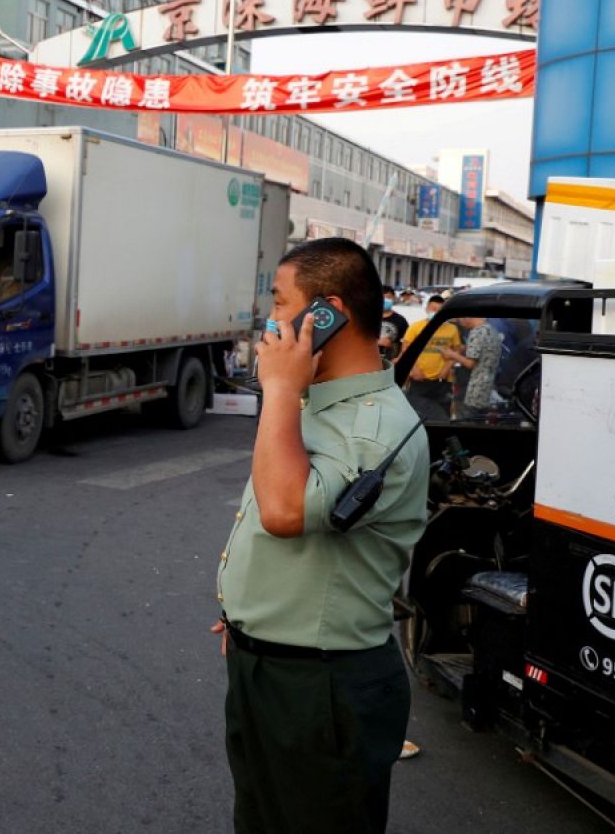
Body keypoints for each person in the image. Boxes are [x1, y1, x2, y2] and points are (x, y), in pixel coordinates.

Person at [213, 237, 429, 834]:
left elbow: (284, 511)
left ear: (326, 311)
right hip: (275, 666)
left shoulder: (372, 426)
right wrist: (253, 614)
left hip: (322, 689)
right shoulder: (321, 404)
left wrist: (279, 388)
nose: (271, 322)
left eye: (281, 304)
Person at [400, 294, 461, 421]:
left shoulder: (452, 329)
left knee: (442, 416)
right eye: (433, 309)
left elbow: (457, 350)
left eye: (440, 310)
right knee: (416, 416)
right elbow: (406, 349)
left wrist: (447, 368)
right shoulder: (415, 327)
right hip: (419, 380)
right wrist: (414, 369)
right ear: (427, 309)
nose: (436, 312)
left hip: (442, 381)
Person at [445, 316, 504, 419]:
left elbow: (470, 363)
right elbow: (484, 351)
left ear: (467, 317)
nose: (461, 323)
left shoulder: (476, 332)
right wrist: (465, 348)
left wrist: (452, 354)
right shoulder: (490, 329)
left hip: (473, 387)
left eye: (460, 320)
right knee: (481, 419)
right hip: (487, 385)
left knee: (466, 419)